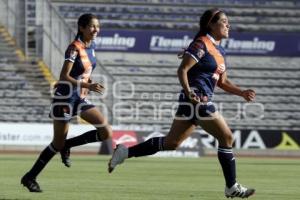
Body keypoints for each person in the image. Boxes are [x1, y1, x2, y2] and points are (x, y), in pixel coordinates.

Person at [108, 8, 256, 198]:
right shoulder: (201, 44)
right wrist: (189, 92)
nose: (229, 25)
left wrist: (241, 92)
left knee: (171, 143)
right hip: (197, 100)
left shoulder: (219, 50)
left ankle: (125, 153)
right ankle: (231, 186)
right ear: (211, 24)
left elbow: (222, 82)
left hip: (191, 102)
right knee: (227, 138)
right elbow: (182, 70)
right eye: (224, 21)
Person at [21, 13, 112, 192]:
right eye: (92, 26)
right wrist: (87, 84)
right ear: (82, 28)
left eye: (98, 26)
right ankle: (30, 177)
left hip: (80, 98)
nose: (96, 30)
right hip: (64, 99)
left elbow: (84, 71)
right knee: (57, 143)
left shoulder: (91, 46)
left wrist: (87, 85)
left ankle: (68, 146)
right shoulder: (74, 48)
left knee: (106, 131)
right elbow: (64, 76)